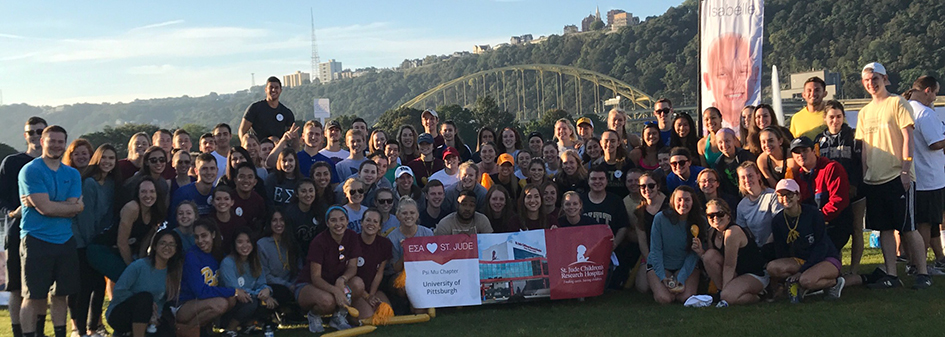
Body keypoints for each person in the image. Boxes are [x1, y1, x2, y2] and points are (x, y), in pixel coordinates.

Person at [856, 62, 930, 289]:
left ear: (885, 79)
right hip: (874, 178)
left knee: (908, 227)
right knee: (885, 229)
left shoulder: (897, 103)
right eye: (867, 80)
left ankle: (923, 272)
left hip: (897, 176)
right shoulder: (864, 112)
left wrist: (906, 171)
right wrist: (864, 176)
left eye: (875, 79)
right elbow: (865, 149)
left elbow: (907, 138)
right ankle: (891, 274)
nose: (872, 83)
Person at [17, 125, 84, 337]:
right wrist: (71, 208)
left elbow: (62, 206)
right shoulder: (31, 170)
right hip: (36, 239)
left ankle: (60, 333)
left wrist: (62, 207)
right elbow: (46, 208)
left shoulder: (72, 174)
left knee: (60, 295)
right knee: (33, 296)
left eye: (60, 141)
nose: (56, 145)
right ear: (42, 142)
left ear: (65, 144)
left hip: (65, 240)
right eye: (51, 141)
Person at [766, 179, 844, 302]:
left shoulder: (813, 214)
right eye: (780, 195)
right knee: (773, 268)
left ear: (798, 196)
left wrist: (801, 271)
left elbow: (821, 245)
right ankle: (801, 285)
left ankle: (834, 282)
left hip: (825, 257)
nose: (785, 198)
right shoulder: (778, 220)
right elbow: (781, 249)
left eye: (789, 194)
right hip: (801, 259)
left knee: (806, 280)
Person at [69, 143, 118, 337]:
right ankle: (80, 330)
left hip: (100, 243)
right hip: (84, 242)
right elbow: (85, 217)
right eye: (104, 157)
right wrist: (91, 243)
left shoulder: (112, 184)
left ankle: (93, 327)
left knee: (99, 286)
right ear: (97, 159)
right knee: (85, 287)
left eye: (111, 158)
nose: (107, 162)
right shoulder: (89, 183)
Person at [814, 100, 865, 273]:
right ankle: (835, 264)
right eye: (831, 117)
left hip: (854, 191)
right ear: (825, 118)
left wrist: (854, 184)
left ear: (843, 117)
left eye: (838, 117)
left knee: (857, 228)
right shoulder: (819, 141)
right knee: (835, 229)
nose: (835, 121)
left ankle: (855, 269)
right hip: (830, 194)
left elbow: (860, 164)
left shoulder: (854, 136)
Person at [295, 206, 364, 333]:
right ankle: (313, 315)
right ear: (327, 223)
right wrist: (336, 291)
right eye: (333, 220)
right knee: (328, 301)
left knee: (358, 284)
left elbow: (352, 267)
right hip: (310, 284)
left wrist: (342, 279)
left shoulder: (352, 236)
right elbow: (315, 277)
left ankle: (338, 316)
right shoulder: (319, 242)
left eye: (342, 219)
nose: (338, 224)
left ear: (347, 221)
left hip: (335, 281)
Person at [105, 229, 183, 337]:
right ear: (155, 246)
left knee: (167, 331)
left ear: (176, 249)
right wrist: (146, 306)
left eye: (171, 244)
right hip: (120, 313)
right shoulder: (139, 266)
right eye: (163, 243)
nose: (167, 247)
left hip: (150, 318)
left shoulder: (172, 272)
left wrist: (155, 316)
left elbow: (160, 302)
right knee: (145, 298)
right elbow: (119, 290)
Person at [87, 177, 165, 281]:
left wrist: (140, 264)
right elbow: (122, 242)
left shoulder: (155, 213)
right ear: (138, 194)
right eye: (143, 192)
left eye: (152, 191)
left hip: (120, 252)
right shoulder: (132, 208)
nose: (148, 195)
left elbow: (145, 242)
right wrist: (133, 268)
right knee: (128, 279)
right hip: (102, 248)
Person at [905, 76, 945, 276]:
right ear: (927, 90)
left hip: (916, 176)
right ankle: (919, 263)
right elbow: (935, 143)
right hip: (929, 177)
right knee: (925, 223)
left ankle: (938, 258)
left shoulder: (907, 108)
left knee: (929, 222)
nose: (935, 97)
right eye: (936, 93)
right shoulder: (925, 113)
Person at [788, 137, 852, 262]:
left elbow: (839, 201)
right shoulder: (797, 178)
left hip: (835, 224)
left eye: (805, 150)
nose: (801, 155)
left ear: (814, 151)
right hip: (813, 226)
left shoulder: (832, 168)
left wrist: (815, 219)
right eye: (797, 152)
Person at [693, 199, 767, 305]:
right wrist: (700, 252)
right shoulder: (712, 232)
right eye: (711, 216)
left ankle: (760, 295)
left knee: (728, 297)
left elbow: (729, 266)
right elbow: (712, 260)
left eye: (720, 214)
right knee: (708, 255)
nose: (716, 218)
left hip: (753, 274)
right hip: (735, 274)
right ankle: (723, 292)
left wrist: (724, 293)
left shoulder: (732, 232)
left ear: (728, 215)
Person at [176, 221, 240, 334]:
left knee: (231, 299)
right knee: (222, 303)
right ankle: (186, 330)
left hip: (204, 302)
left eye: (204, 235)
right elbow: (200, 291)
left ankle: (204, 327)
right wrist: (234, 291)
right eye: (196, 237)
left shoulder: (218, 254)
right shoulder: (192, 256)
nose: (200, 241)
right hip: (185, 304)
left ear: (213, 235)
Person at [647, 186, 704, 304]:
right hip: (662, 265)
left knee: (685, 297)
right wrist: (662, 277)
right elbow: (655, 250)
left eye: (687, 200)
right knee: (665, 299)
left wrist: (681, 277)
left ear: (693, 201)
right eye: (679, 199)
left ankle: (676, 280)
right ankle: (660, 283)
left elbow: (693, 255)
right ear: (673, 201)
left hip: (685, 265)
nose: (683, 203)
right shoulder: (660, 218)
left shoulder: (700, 221)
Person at [219, 227, 275, 336]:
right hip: (232, 305)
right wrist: (261, 295)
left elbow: (262, 283)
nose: (244, 246)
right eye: (240, 242)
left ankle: (249, 325)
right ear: (234, 244)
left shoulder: (255, 261)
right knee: (251, 302)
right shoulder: (228, 263)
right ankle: (230, 329)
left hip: (251, 298)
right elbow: (236, 290)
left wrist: (267, 290)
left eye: (248, 242)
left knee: (270, 300)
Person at [582, 166, 632, 288]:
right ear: (588, 181)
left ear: (606, 181)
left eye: (601, 178)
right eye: (593, 179)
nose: (597, 182)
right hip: (585, 250)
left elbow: (623, 226)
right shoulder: (580, 200)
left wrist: (614, 245)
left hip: (610, 250)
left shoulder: (615, 201)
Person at [384, 197, 434, 313]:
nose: (408, 216)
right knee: (404, 286)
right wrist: (406, 252)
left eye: (412, 213)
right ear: (398, 216)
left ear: (417, 215)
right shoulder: (392, 238)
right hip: (401, 275)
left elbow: (433, 261)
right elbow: (396, 268)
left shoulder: (427, 233)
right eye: (404, 213)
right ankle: (408, 305)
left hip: (424, 273)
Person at [703, 33, 758, 133]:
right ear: (707, 81)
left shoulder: (764, 135)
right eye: (723, 74)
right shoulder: (704, 141)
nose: (733, 84)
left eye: (742, 72)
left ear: (755, 74)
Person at [256, 210, 302, 324]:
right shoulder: (262, 244)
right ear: (269, 223)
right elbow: (265, 275)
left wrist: (295, 284)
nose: (278, 224)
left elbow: (299, 269)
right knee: (282, 292)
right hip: (273, 285)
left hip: (292, 284)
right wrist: (287, 285)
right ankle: (279, 312)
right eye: (274, 220)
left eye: (281, 220)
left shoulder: (292, 243)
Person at [353, 209, 393, 322]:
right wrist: (365, 297)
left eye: (375, 221)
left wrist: (371, 295)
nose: (371, 224)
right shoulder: (352, 242)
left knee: (387, 313)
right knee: (367, 317)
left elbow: (379, 273)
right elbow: (351, 273)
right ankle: (346, 314)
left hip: (372, 289)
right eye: (368, 220)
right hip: (355, 289)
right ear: (361, 223)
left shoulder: (384, 244)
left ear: (380, 226)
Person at [633, 172, 670, 293]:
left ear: (658, 186)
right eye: (643, 186)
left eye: (651, 185)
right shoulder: (639, 211)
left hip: (671, 254)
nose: (647, 189)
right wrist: (651, 260)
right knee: (642, 287)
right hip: (651, 255)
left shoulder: (670, 205)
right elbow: (642, 240)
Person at [735, 161, 782, 249]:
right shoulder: (741, 206)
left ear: (758, 176)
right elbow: (745, 231)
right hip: (756, 248)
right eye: (743, 177)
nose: (747, 180)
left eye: (750, 176)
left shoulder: (772, 196)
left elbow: (779, 224)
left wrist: (767, 246)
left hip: (775, 245)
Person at [239, 76, 294, 143]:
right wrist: (246, 147)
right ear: (266, 90)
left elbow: (294, 136)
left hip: (278, 150)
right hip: (259, 150)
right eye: (271, 87)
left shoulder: (286, 112)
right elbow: (242, 130)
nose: (273, 90)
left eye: (276, 88)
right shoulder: (255, 108)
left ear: (280, 90)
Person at [170, 153, 218, 223]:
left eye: (212, 168)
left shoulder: (217, 194)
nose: (209, 172)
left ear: (217, 170)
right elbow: (173, 222)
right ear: (196, 171)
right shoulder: (182, 194)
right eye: (204, 168)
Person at [284, 179, 322, 256]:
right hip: (296, 253)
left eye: (311, 191)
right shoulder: (290, 213)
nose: (308, 195)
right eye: (303, 191)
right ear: (297, 194)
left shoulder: (321, 209)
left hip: (318, 251)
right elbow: (290, 240)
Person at [714, 128, 756, 197]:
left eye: (727, 141)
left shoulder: (746, 156)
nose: (724, 145)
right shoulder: (718, 164)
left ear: (734, 140)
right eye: (720, 142)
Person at [230, 163, 267, 232]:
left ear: (255, 182)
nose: (246, 180)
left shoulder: (258, 200)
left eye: (250, 177)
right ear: (235, 180)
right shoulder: (228, 199)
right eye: (242, 176)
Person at [599, 129, 635, 198]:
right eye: (606, 141)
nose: (609, 144)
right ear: (601, 143)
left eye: (613, 141)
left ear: (618, 143)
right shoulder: (597, 164)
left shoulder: (627, 163)